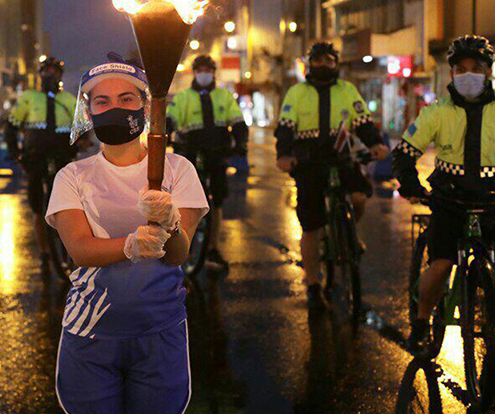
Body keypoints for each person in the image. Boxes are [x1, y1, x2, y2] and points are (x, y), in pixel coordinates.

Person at [48, 54, 208, 413]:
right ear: (88, 111)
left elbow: (179, 254)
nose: (114, 109)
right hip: (91, 333)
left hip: (159, 330)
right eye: (102, 102)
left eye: (126, 99)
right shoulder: (72, 176)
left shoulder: (178, 169)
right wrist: (132, 245)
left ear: (145, 106)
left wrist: (172, 224)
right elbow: (81, 250)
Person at [393, 35, 495, 354]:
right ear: (450, 74)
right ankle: (422, 321)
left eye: (476, 68)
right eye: (460, 69)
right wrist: (411, 187)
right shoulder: (436, 112)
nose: (468, 75)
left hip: (491, 201)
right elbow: (404, 154)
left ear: (489, 72)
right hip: (449, 203)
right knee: (440, 265)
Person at [274, 41, 389, 311]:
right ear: (310, 64)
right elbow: (285, 128)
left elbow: (363, 122)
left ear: (336, 64)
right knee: (311, 227)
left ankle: (350, 234)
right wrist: (284, 155)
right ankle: (313, 283)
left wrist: (375, 144)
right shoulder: (296, 93)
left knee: (360, 197)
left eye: (329, 60)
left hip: (341, 159)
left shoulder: (347, 90)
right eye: (318, 60)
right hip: (309, 164)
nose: (323, 64)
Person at [168, 54, 248, 269]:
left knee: (218, 202)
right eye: (200, 69)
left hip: (218, 153)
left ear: (213, 72)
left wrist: (241, 143)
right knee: (186, 201)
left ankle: (212, 248)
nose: (204, 74)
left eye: (208, 70)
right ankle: (183, 247)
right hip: (191, 154)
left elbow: (238, 122)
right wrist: (165, 136)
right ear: (194, 73)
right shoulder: (183, 97)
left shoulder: (224, 96)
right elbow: (171, 119)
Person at [5, 56, 77, 262]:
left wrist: (82, 141)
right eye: (46, 72)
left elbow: (83, 128)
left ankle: (68, 245)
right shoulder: (28, 98)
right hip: (35, 158)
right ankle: (45, 253)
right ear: (39, 75)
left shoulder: (69, 100)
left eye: (54, 72)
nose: (50, 76)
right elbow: (10, 125)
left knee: (65, 204)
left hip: (62, 157)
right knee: (37, 207)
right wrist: (15, 152)